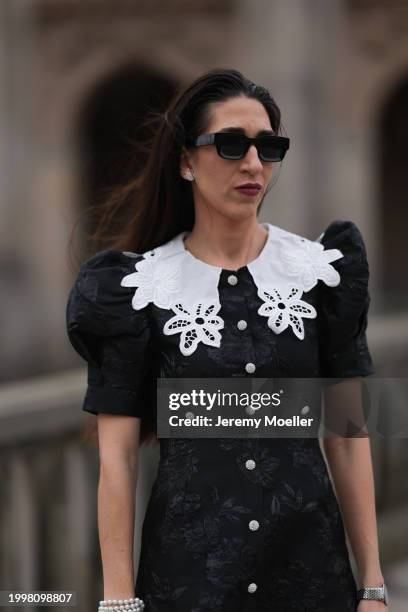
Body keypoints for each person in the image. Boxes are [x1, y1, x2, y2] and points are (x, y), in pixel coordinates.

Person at [66, 68, 387, 612]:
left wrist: (373, 588)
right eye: (232, 144)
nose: (253, 164)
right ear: (186, 161)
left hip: (310, 577)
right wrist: (117, 601)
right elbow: (116, 461)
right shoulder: (137, 291)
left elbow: (347, 438)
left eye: (269, 147)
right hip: (190, 584)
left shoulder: (322, 275)